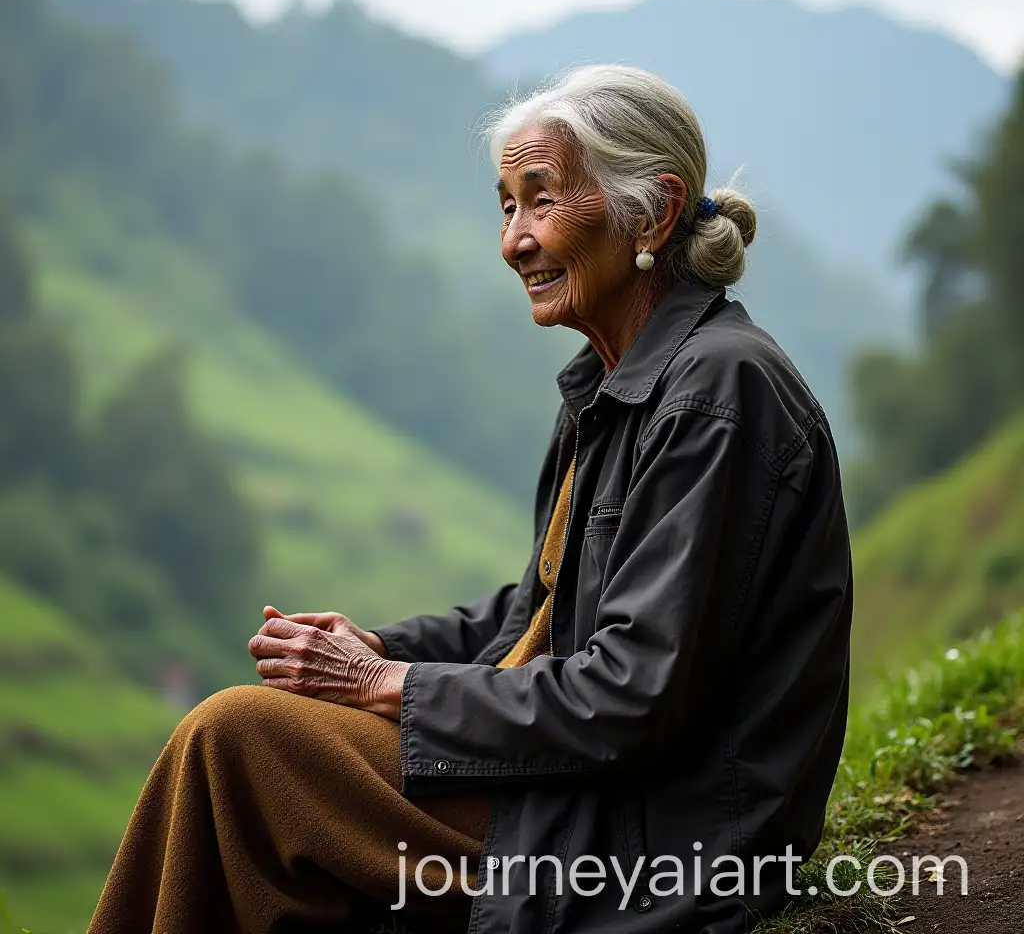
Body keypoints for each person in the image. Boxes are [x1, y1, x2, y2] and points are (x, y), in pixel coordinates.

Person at [89, 64, 853, 934]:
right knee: (259, 756)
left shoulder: (718, 394)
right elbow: (538, 611)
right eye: (505, 207)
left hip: (660, 838)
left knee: (238, 742)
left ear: (654, 213)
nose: (514, 241)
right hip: (589, 792)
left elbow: (633, 696)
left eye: (542, 201)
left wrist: (392, 685)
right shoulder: (618, 386)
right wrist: (373, 648)